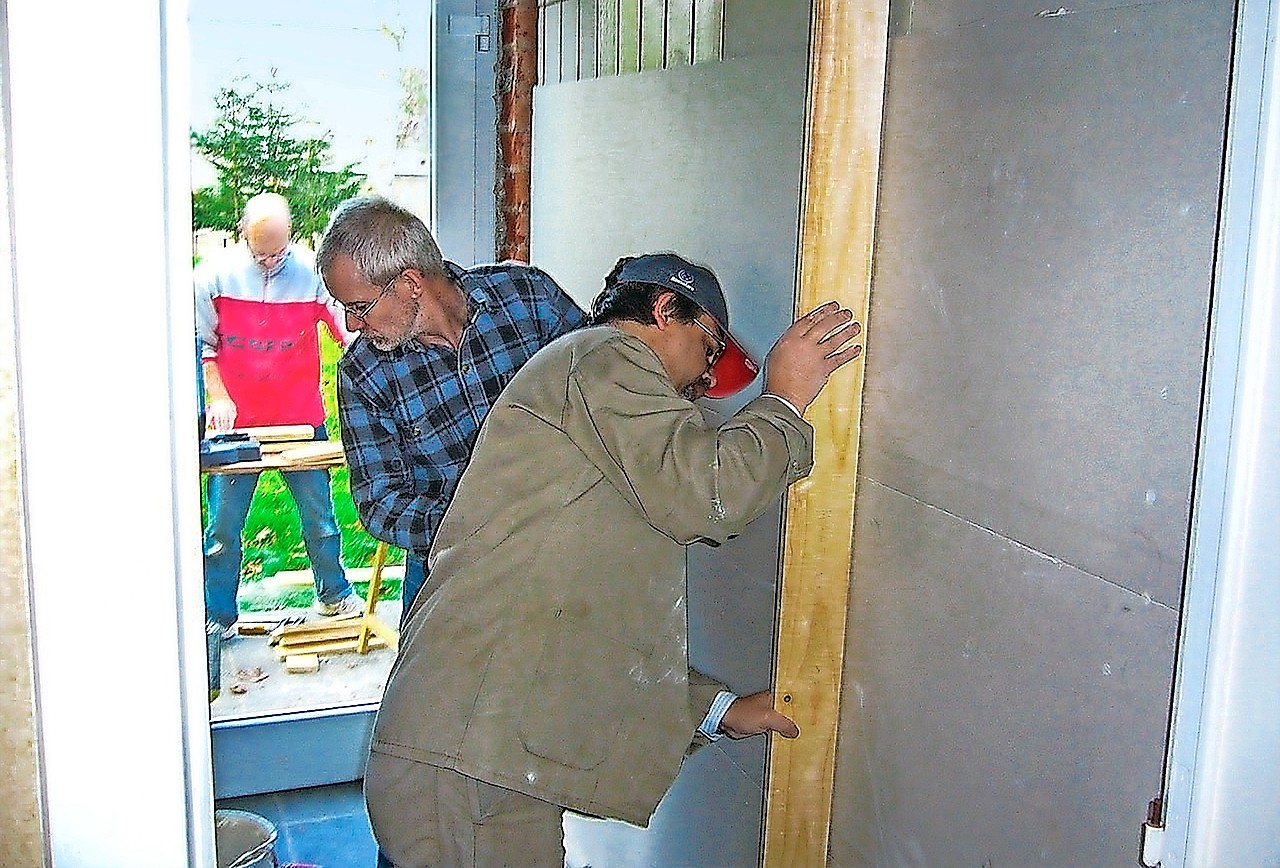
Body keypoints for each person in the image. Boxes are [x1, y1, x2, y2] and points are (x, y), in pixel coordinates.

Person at [363, 252, 864, 867]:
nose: (700, 388)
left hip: (469, 758)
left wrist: (715, 711)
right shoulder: (605, 357)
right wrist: (783, 401)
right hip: (470, 765)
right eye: (709, 355)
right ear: (665, 310)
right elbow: (709, 494)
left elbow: (580, 614)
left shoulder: (587, 393)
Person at [315, 196, 586, 621]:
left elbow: (606, 396)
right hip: (453, 576)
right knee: (436, 688)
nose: (351, 325)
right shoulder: (363, 373)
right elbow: (379, 501)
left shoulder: (528, 299)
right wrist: (476, 522)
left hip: (570, 555)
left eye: (359, 306)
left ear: (410, 283)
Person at [197, 192, 362, 637]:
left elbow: (349, 333)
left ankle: (334, 595)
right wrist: (218, 397)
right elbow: (204, 348)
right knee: (222, 529)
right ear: (243, 238)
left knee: (321, 518)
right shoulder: (213, 278)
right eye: (261, 252)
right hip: (237, 427)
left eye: (279, 251)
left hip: (300, 416)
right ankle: (218, 616)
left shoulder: (312, 275)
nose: (271, 261)